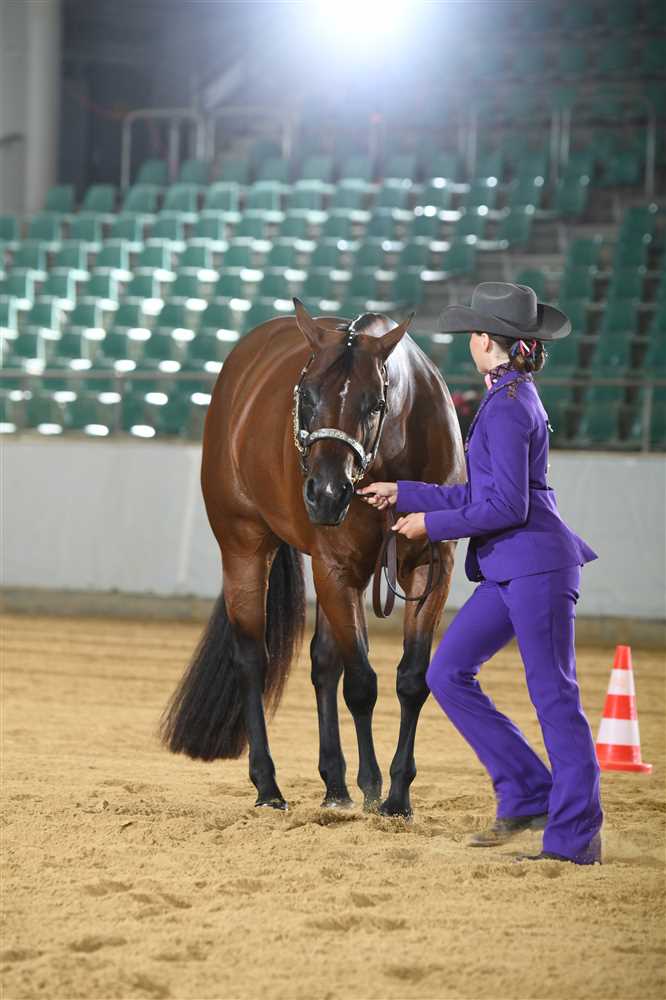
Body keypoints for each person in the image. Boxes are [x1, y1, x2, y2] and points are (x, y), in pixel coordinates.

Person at [357, 282, 603, 865]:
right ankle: (527, 791)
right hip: (510, 568)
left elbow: (506, 507)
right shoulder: (508, 397)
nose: (470, 340)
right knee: (447, 673)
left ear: (486, 340)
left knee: (555, 698)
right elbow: (481, 494)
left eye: (472, 333)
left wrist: (429, 526)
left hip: (536, 566)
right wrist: (404, 492)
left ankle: (574, 837)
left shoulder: (510, 406)